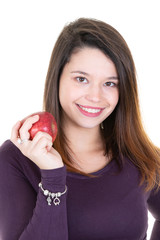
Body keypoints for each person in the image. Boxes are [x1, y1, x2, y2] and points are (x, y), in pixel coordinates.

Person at [0, 17, 160, 240]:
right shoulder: (16, 159)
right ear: (57, 78)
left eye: (110, 83)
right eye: (81, 79)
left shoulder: (140, 155)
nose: (95, 96)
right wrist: (52, 178)